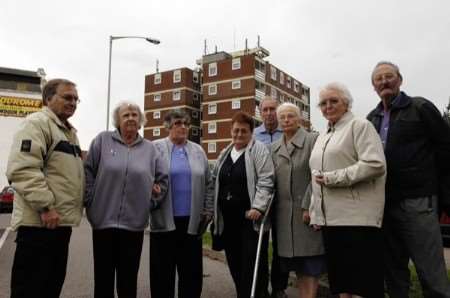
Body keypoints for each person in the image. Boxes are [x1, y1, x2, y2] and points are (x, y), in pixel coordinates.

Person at [367, 61, 450, 298]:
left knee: (431, 273)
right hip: (384, 204)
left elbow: (445, 150)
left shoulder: (420, 107)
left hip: (418, 202)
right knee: (394, 273)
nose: (384, 81)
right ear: (373, 86)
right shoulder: (371, 118)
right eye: (379, 78)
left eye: (389, 76)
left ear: (400, 80)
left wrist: (443, 196)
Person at [6, 79, 84, 298]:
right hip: (39, 225)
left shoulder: (68, 132)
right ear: (49, 98)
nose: (73, 103)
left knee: (50, 288)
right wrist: (46, 207)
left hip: (59, 226)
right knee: (30, 289)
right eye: (67, 97)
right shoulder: (37, 123)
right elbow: (22, 169)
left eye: (76, 99)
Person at [309, 82, 386, 298]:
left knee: (362, 284)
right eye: (323, 103)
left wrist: (334, 178)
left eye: (334, 101)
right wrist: (316, 212)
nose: (328, 106)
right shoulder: (323, 136)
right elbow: (315, 177)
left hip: (357, 220)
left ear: (347, 103)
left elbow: (375, 164)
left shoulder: (360, 126)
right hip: (331, 221)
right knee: (342, 284)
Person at [84, 101, 168, 298]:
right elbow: (87, 171)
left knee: (128, 281)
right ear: (118, 121)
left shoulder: (151, 149)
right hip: (103, 222)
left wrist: (151, 202)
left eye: (134, 115)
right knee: (103, 279)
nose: (131, 118)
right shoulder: (102, 141)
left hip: (134, 225)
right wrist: (90, 200)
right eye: (126, 115)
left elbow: (162, 181)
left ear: (140, 122)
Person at [149, 110, 213, 298]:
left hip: (192, 223)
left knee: (191, 274)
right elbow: (143, 176)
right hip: (163, 221)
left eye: (186, 123)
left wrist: (208, 209)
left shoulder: (197, 150)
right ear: (168, 126)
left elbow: (209, 182)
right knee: (162, 275)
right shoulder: (155, 148)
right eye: (178, 123)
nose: (183, 127)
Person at [211, 111, 275, 298]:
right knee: (234, 262)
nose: (239, 135)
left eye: (244, 131)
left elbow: (266, 180)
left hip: (249, 220)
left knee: (252, 265)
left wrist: (258, 207)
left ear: (251, 132)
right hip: (228, 220)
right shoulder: (225, 152)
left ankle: (258, 294)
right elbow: (215, 179)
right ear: (231, 130)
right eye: (236, 130)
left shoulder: (259, 150)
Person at [271, 103, 325, 298]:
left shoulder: (313, 140)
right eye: (283, 117)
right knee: (298, 266)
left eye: (291, 116)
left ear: (299, 119)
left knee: (310, 266)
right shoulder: (274, 147)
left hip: (307, 214)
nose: (286, 120)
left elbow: (317, 174)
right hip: (284, 218)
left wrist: (309, 206)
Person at [254, 96, 287, 298]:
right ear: (260, 112)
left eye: (272, 109)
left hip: (284, 197)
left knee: (281, 246)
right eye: (264, 109)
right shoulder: (254, 135)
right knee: (260, 243)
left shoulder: (289, 131)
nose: (268, 113)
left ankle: (279, 287)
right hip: (262, 197)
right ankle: (260, 287)